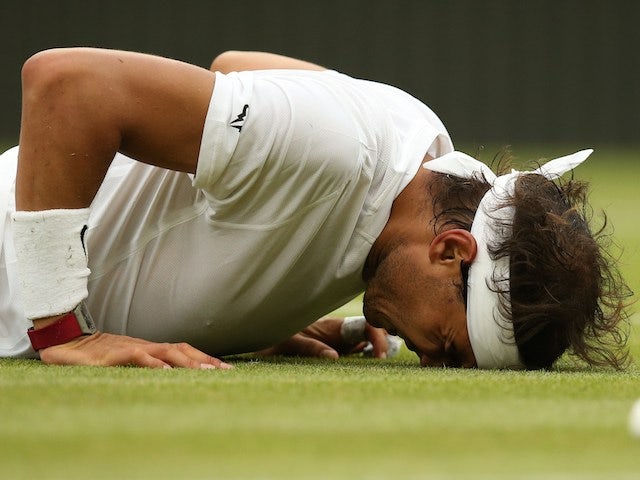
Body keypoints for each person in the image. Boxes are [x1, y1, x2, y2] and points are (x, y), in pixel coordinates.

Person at [0, 48, 630, 370]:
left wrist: (252, 304)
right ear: (450, 250)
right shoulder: (341, 146)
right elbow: (66, 84)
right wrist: (62, 331)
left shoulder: (427, 146)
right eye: (442, 344)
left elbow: (236, 69)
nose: (425, 359)